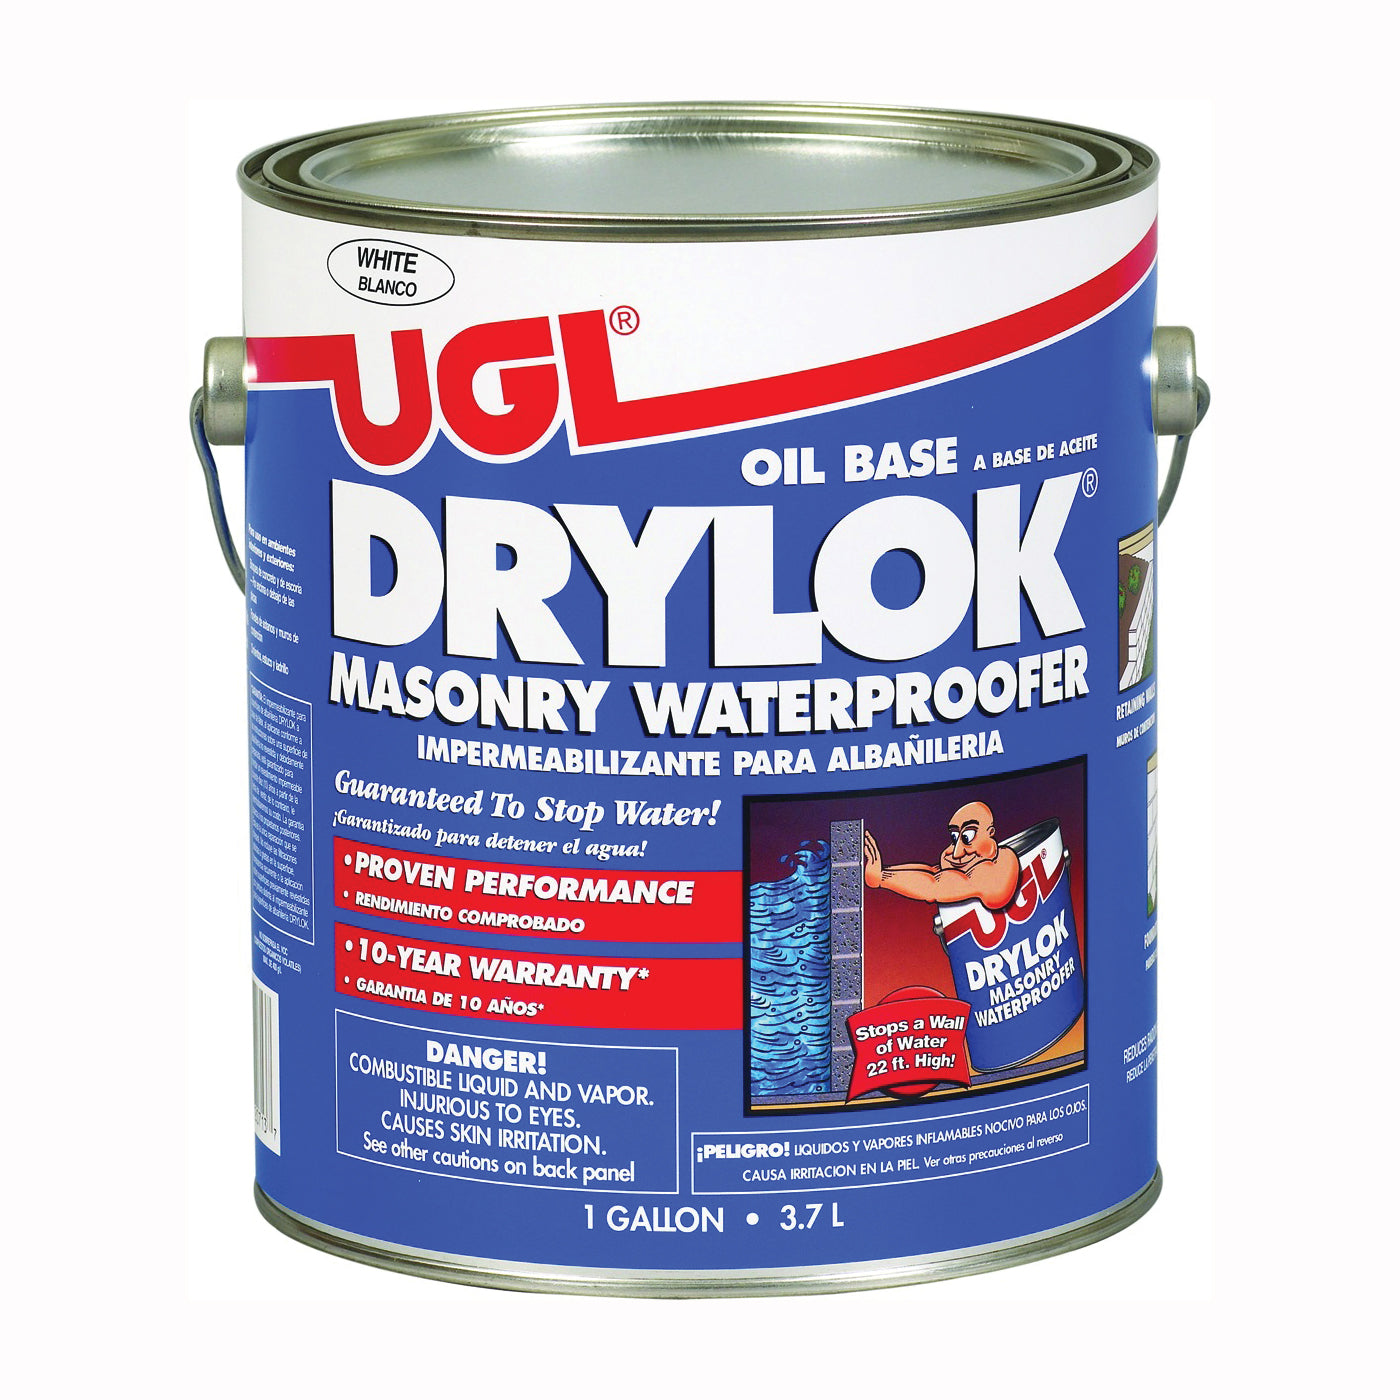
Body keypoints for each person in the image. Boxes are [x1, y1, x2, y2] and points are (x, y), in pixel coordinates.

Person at [863, 800, 1019, 910]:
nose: (957, 853)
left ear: (990, 833)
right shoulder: (969, 862)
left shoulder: (1002, 864)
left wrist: (882, 878)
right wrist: (883, 872)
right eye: (954, 837)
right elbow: (933, 872)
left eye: (968, 836)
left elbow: (934, 886)